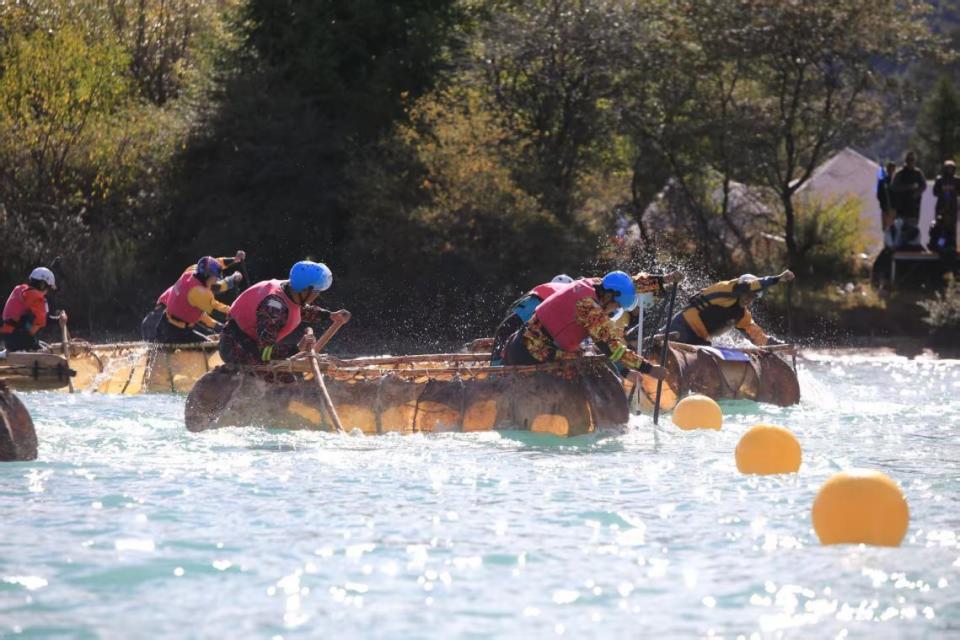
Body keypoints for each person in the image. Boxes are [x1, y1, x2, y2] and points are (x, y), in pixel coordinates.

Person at [500, 271, 667, 380]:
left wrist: (661, 281)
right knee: (587, 366)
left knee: (589, 354)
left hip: (529, 342)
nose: (615, 310)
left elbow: (629, 283)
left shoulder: (596, 283)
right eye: (616, 305)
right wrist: (649, 369)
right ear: (609, 296)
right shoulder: (589, 307)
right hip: (530, 352)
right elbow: (613, 349)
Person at [219, 260, 351, 366]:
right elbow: (266, 352)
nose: (318, 295)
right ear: (306, 290)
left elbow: (299, 309)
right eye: (317, 292)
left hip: (252, 343)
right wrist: (297, 348)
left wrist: (330, 315)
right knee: (288, 383)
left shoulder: (291, 289)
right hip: (236, 346)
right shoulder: (273, 307)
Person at [667, 271, 795, 346]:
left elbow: (758, 336)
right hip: (681, 327)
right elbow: (751, 286)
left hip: (699, 339)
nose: (749, 298)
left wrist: (780, 345)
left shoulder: (742, 315)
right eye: (747, 294)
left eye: (753, 297)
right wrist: (778, 278)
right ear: (741, 289)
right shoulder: (727, 288)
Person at [142, 251, 246, 341]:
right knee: (209, 347)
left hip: (165, 323)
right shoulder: (199, 292)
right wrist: (237, 311)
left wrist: (234, 259)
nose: (217, 279)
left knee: (207, 340)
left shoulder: (192, 270)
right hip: (173, 331)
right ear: (206, 276)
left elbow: (215, 263)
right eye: (215, 277)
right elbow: (217, 308)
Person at [490, 274, 574, 364]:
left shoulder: (550, 291)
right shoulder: (572, 297)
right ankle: (497, 365)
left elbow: (506, 328)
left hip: (534, 305)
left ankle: (496, 366)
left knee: (506, 330)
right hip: (538, 306)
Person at [1, 267, 65, 352]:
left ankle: (27, 345)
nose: (47, 292)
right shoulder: (36, 297)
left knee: (41, 343)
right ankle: (26, 349)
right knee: (45, 349)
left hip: (8, 337)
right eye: (48, 288)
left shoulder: (20, 289)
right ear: (42, 285)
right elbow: (39, 321)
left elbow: (41, 317)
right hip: (17, 339)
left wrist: (57, 320)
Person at [891, 151, 926, 225]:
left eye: (912, 160)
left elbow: (923, 186)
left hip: (913, 208)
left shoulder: (918, 173)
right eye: (909, 160)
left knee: (912, 230)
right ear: (906, 161)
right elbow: (894, 187)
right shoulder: (900, 173)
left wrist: (917, 193)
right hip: (901, 207)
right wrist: (907, 187)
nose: (911, 162)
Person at [876, 161, 897, 232]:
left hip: (894, 209)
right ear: (887, 170)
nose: (891, 171)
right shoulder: (882, 182)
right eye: (890, 169)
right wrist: (884, 206)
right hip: (885, 209)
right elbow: (879, 195)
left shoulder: (897, 181)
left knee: (895, 230)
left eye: (893, 169)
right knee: (886, 230)